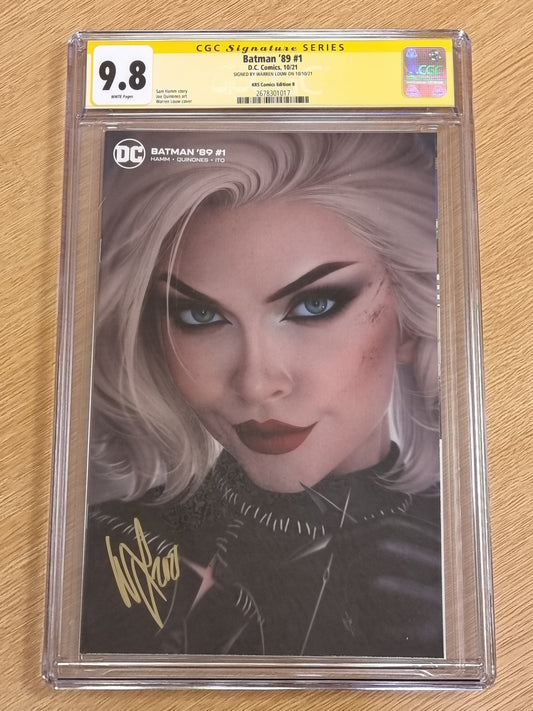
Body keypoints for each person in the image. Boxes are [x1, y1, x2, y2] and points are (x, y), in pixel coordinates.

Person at [82, 131, 442, 658]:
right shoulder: (103, 550)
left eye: (314, 305)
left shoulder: (486, 548)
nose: (255, 383)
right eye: (199, 315)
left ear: (409, 319)